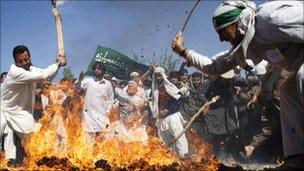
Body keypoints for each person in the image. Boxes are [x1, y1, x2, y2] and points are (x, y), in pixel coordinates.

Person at [172, 1, 303, 168]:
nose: (220, 39)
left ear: (237, 23)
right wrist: (184, 51)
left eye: (222, 31)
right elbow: (214, 67)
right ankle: (298, 159)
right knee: (288, 90)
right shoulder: (248, 45)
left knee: (302, 75)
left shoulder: (271, 19)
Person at [0, 45, 66, 166]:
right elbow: (43, 75)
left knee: (35, 136)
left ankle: (37, 163)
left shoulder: (32, 70)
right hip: (2, 109)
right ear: (15, 62)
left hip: (20, 112)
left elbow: (46, 76)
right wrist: (57, 63)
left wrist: (58, 65)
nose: (24, 63)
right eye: (20, 61)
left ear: (30, 57)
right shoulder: (16, 72)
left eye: (27, 59)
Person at [149, 67, 189, 159]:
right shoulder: (154, 88)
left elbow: (179, 101)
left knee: (178, 136)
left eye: (159, 76)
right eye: (156, 76)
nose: (158, 78)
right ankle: (172, 160)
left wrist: (167, 110)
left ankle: (184, 157)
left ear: (163, 75)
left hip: (172, 116)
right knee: (164, 139)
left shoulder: (170, 85)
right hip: (160, 118)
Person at [75, 62, 114, 145]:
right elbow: (78, 89)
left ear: (103, 71)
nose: (96, 70)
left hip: (103, 116)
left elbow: (111, 99)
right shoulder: (88, 81)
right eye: (95, 69)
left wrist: (108, 111)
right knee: (89, 141)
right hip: (89, 115)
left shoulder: (108, 84)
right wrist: (79, 79)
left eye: (98, 68)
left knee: (105, 139)